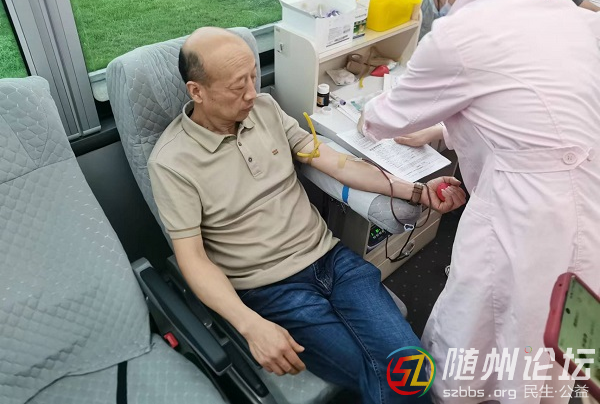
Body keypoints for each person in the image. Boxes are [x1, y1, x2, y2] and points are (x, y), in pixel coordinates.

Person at [147, 27, 466, 404]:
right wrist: (250, 326)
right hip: (272, 288)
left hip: (333, 261)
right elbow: (193, 259)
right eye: (237, 86)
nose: (251, 92)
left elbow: (334, 162)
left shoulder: (264, 109)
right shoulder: (172, 162)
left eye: (253, 76)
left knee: (408, 366)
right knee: (397, 375)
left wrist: (416, 191)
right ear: (197, 91)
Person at [360, 0, 600, 402]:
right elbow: (522, 105)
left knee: (482, 322)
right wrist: (439, 128)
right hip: (587, 198)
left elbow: (379, 120)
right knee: (554, 337)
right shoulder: (566, 16)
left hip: (526, 214)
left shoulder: (458, 34)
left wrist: (366, 113)